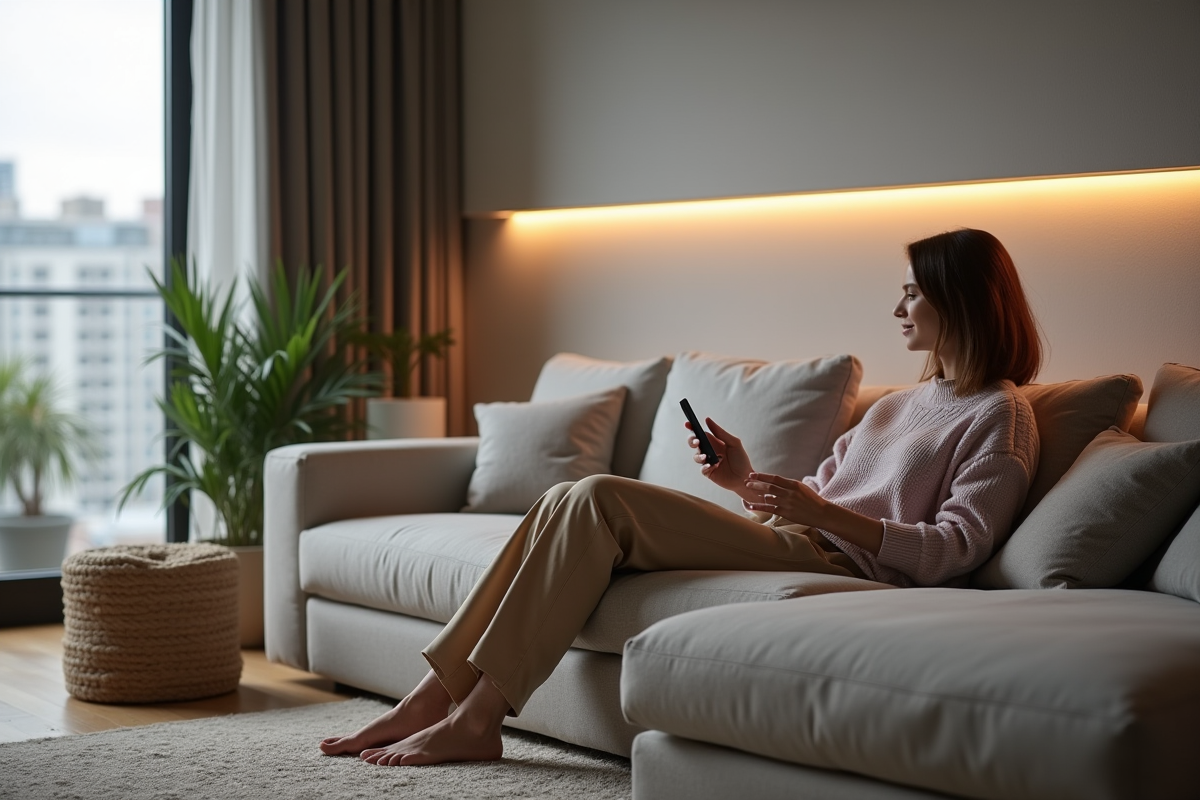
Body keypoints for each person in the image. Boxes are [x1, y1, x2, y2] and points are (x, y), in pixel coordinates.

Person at [319, 227, 1042, 766]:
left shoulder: (1001, 416)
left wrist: (819, 514)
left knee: (597, 496)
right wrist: (743, 479)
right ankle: (432, 699)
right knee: (565, 503)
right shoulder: (899, 405)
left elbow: (955, 550)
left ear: (961, 298)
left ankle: (477, 718)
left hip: (844, 566)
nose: (899, 306)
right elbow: (814, 495)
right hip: (799, 537)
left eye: (913, 290)